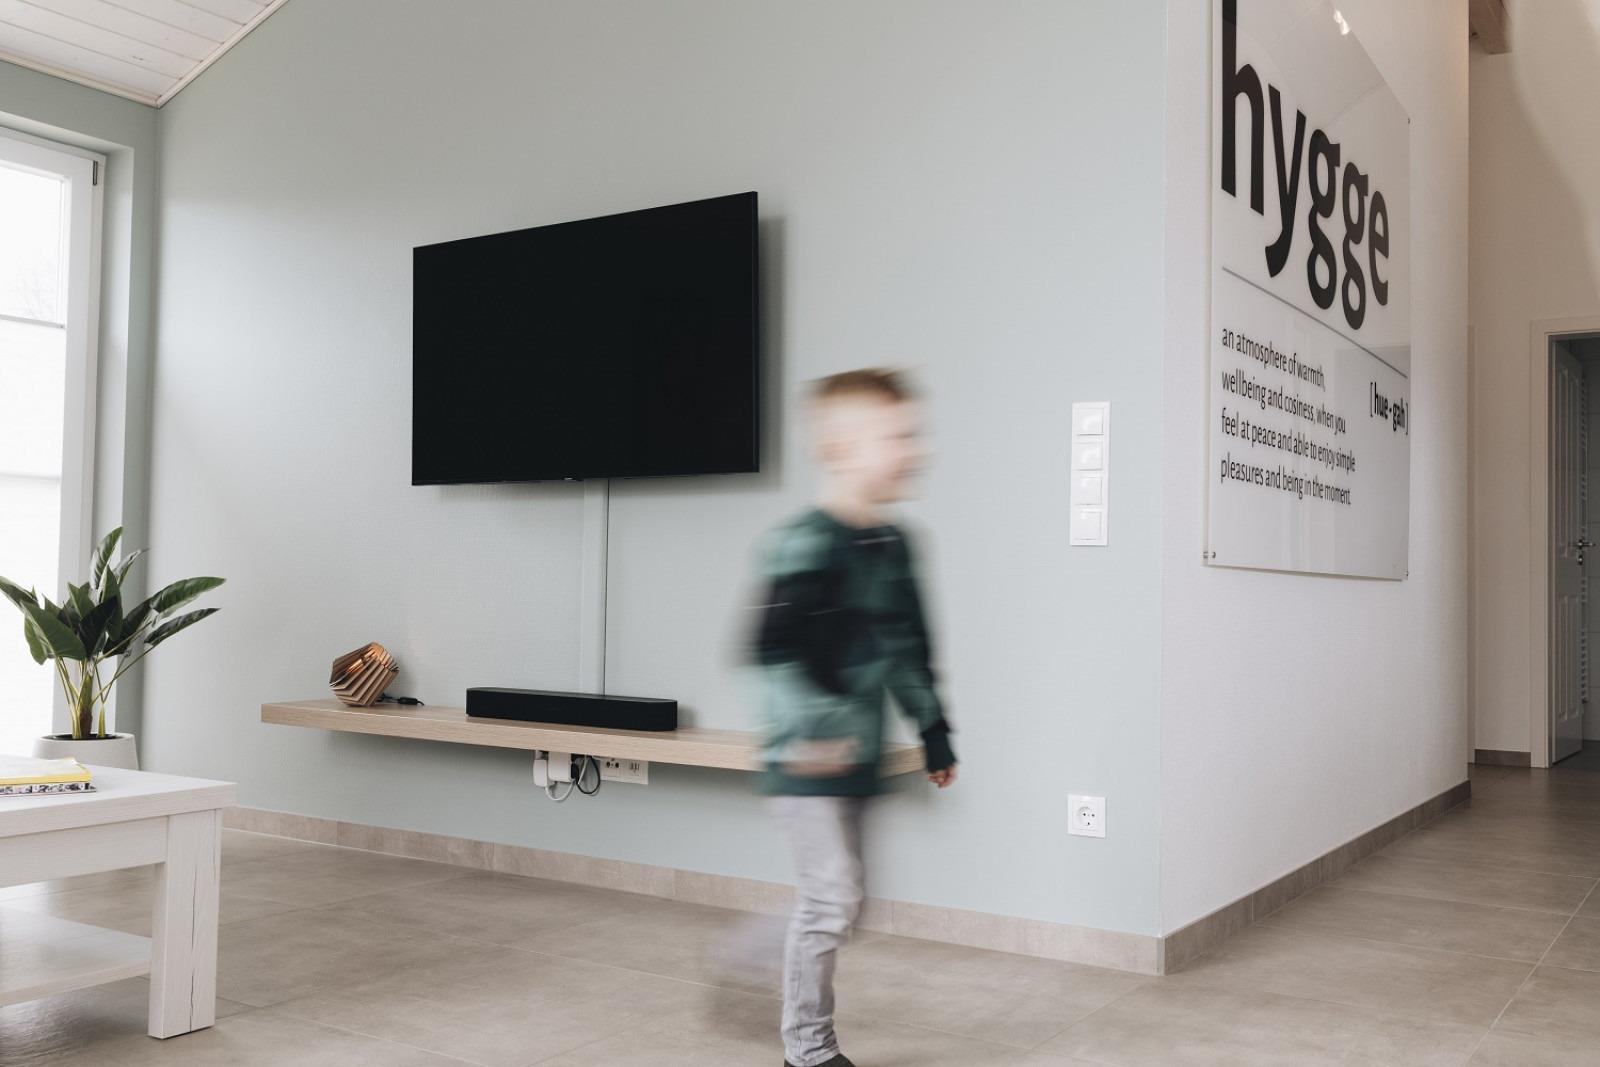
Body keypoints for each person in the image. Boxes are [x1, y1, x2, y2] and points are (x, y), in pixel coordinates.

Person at [751, 367, 958, 1067]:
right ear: (837, 449)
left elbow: (909, 650)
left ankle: (746, 951)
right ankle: (808, 1050)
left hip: (860, 752)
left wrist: (934, 730)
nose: (913, 450)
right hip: (806, 755)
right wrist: (814, 735)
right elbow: (773, 649)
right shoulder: (805, 543)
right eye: (892, 437)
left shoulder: (896, 545)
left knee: (846, 904)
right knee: (831, 898)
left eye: (912, 434)